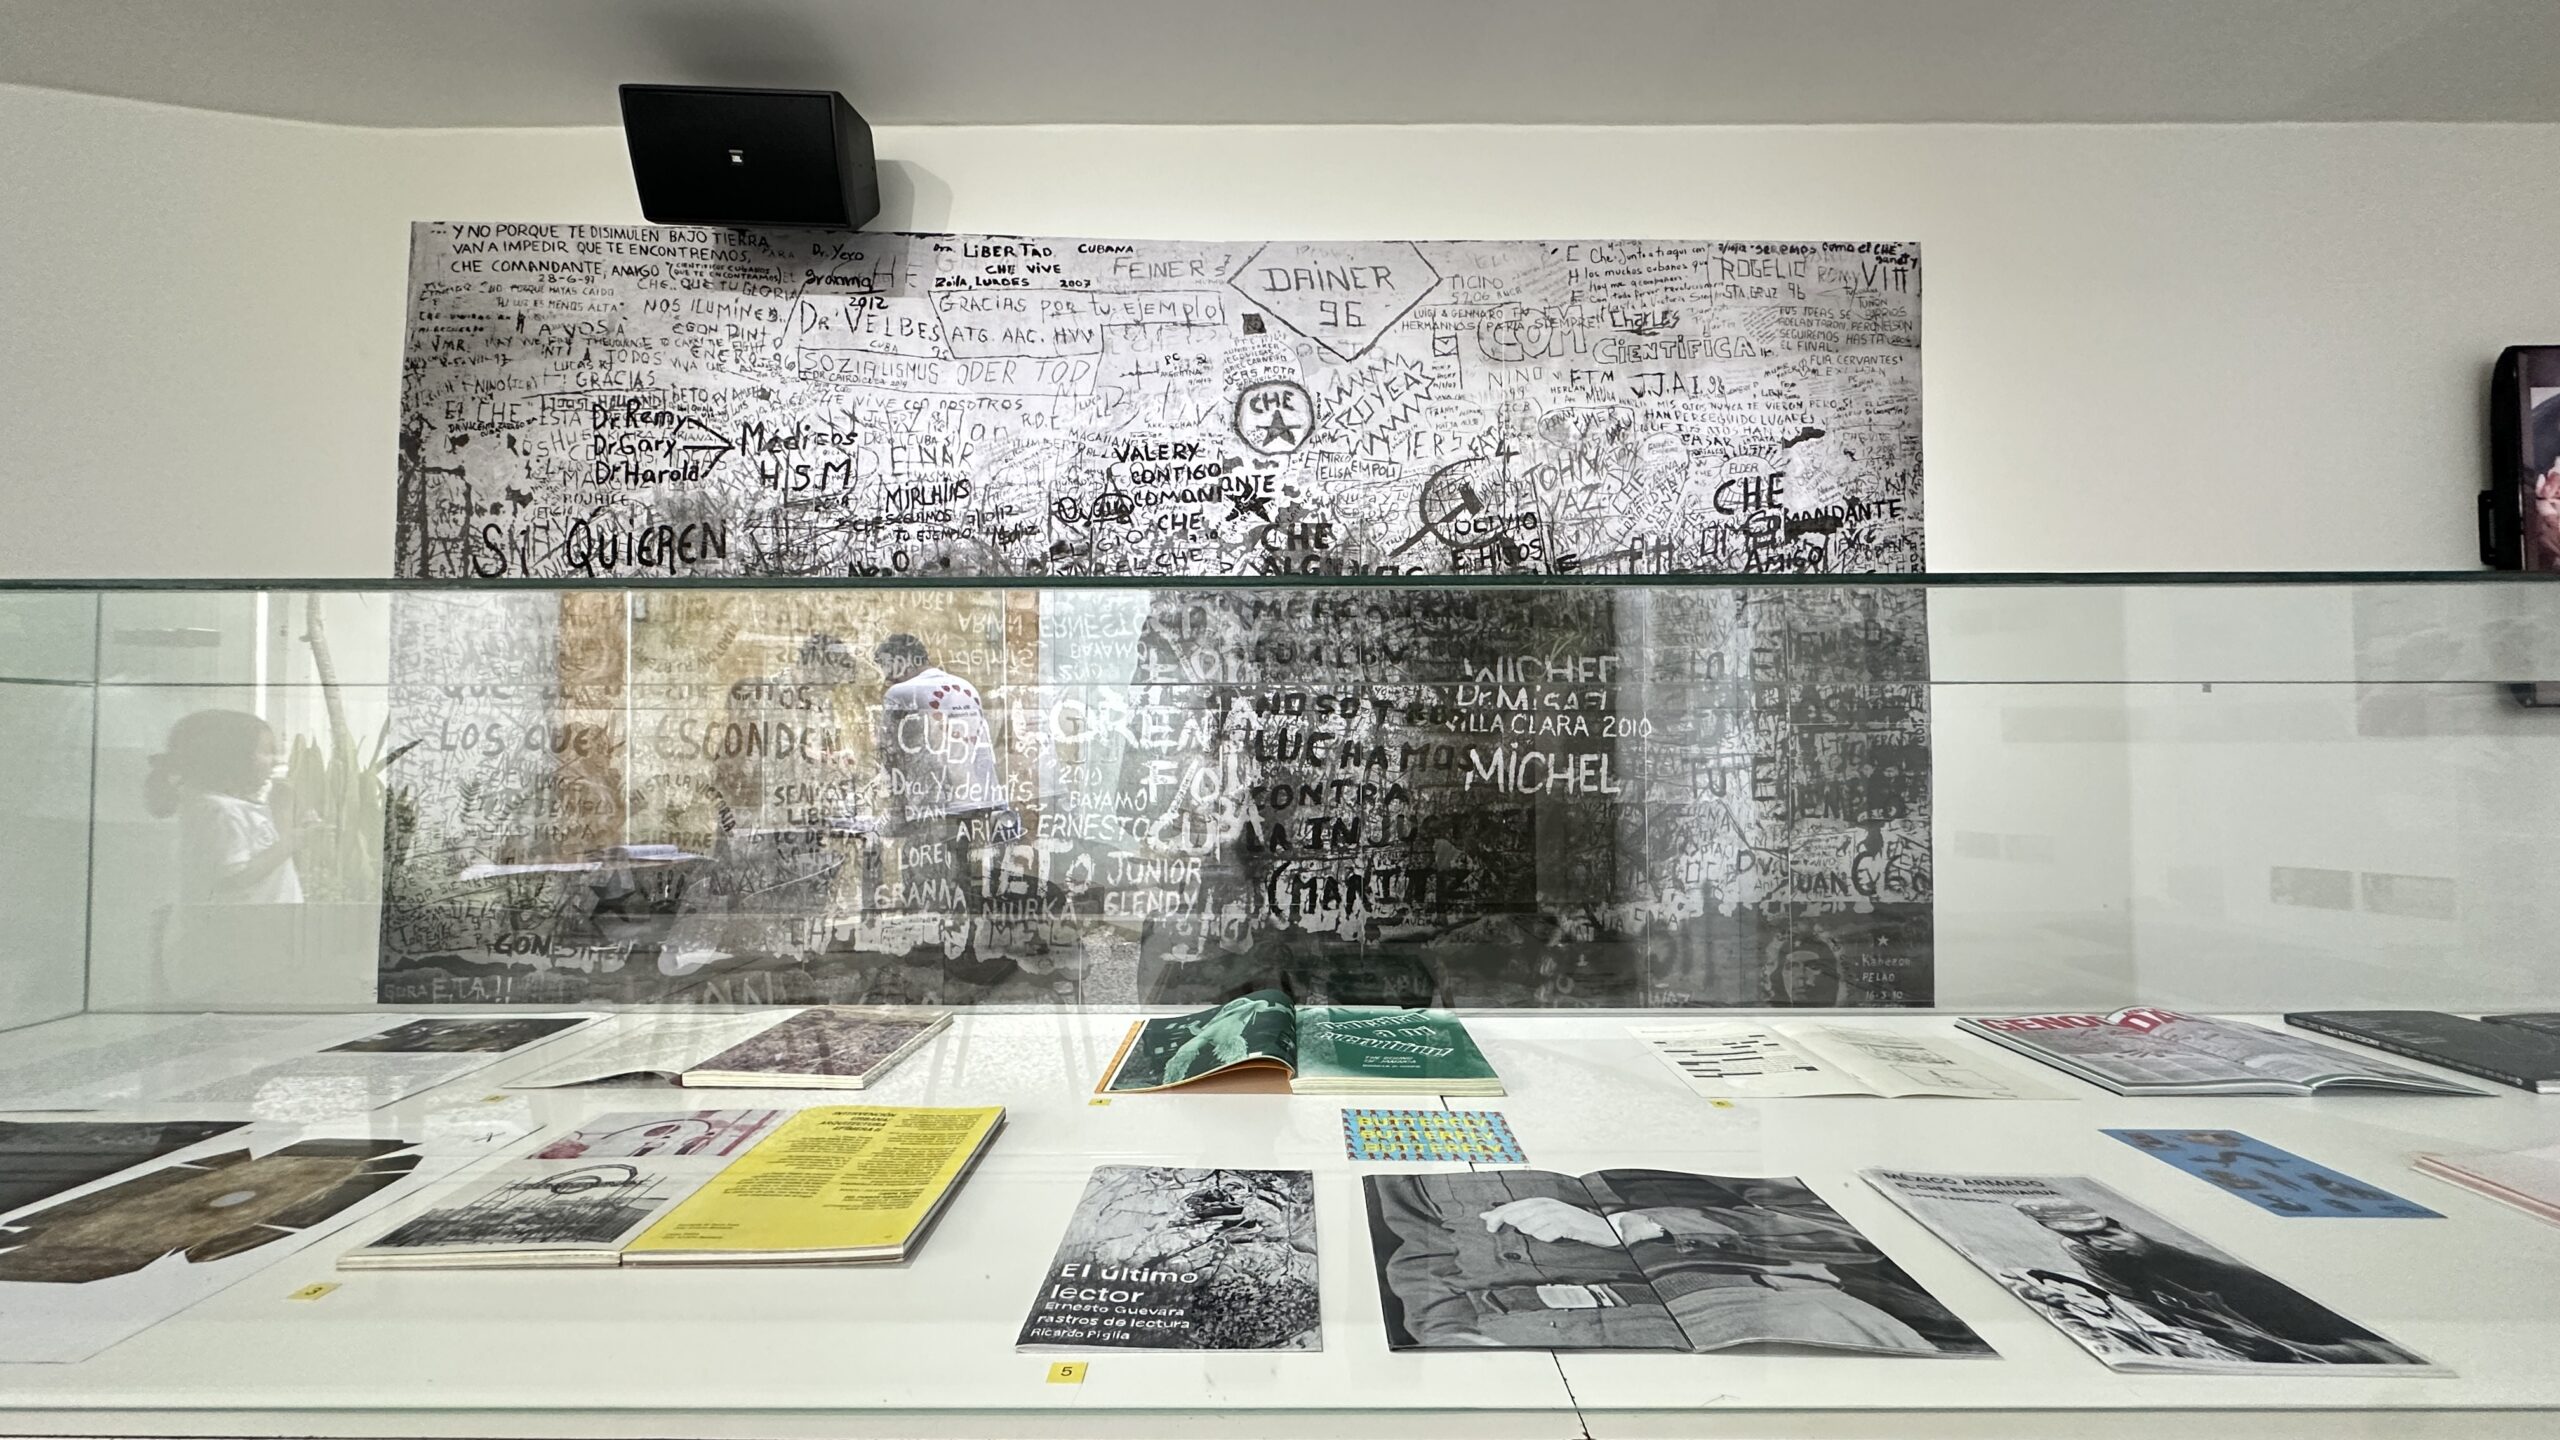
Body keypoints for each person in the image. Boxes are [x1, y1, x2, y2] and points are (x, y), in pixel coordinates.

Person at [2016, 1198, 2418, 1364]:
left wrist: (2152, 1252)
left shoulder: (2236, 1278)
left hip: (2287, 1320)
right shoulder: (2086, 1252)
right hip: (2212, 1320)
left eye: (2105, 1232)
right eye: (2084, 1238)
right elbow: (2133, 1298)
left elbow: (2380, 1354)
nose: (2101, 1243)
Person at [870, 633, 1020, 982]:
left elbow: (891, 755)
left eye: (886, 665)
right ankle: (966, 952)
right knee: (965, 879)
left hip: (933, 804)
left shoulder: (901, 694)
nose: (885, 675)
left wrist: (895, 812)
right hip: (975, 801)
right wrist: (997, 803)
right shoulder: (965, 687)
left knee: (926, 880)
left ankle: (932, 956)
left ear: (905, 660)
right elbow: (982, 750)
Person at [144, 709, 308, 905]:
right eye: (266, 752)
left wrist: (283, 811)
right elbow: (235, 878)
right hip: (245, 923)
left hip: (268, 920)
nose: (276, 761)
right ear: (234, 759)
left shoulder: (232, 808)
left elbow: (268, 862)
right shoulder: (220, 812)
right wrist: (291, 842)